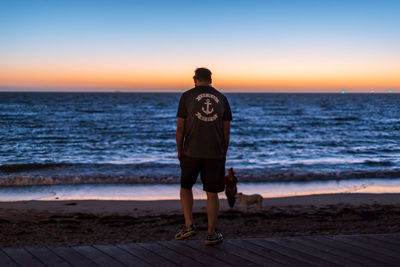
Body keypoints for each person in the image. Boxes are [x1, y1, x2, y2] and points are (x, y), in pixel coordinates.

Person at [175, 67, 232, 245]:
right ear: (210, 79)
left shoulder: (186, 96)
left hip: (191, 151)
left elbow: (180, 129)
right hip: (214, 153)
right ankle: (211, 233)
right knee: (212, 193)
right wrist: (224, 152)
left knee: (185, 187)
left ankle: (189, 224)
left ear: (195, 79)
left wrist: (180, 150)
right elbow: (226, 132)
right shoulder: (222, 98)